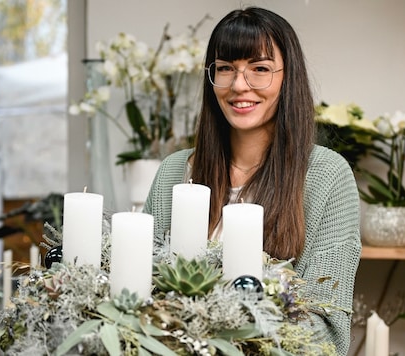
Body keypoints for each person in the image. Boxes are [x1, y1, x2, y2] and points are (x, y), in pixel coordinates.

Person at [143, 6, 361, 355]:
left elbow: (326, 329)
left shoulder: (326, 177)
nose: (239, 85)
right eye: (226, 68)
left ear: (288, 77)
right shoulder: (174, 172)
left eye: (259, 69)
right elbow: (143, 291)